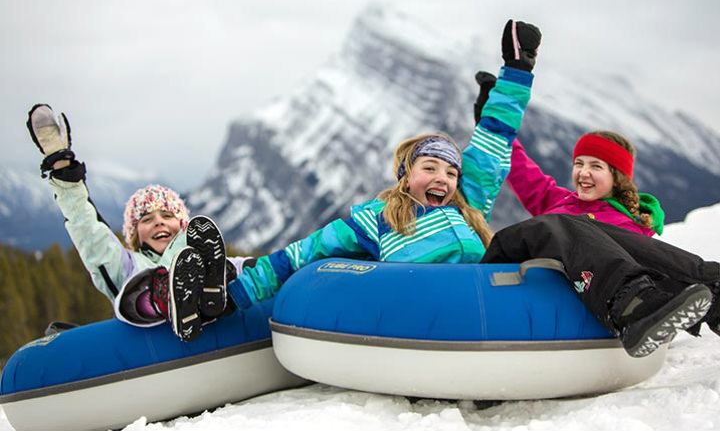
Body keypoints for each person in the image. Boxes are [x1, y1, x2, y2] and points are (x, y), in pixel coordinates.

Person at [140, 19, 541, 340]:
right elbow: (304, 253)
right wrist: (236, 299)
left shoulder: (465, 203)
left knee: (534, 237)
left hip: (479, 304)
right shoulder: (378, 217)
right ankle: (212, 290)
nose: (443, 178)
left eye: (451, 172)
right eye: (430, 168)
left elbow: (494, 141)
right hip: (423, 312)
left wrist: (517, 70)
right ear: (405, 177)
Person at [471, 75, 720, 357]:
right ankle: (637, 304)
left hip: (570, 290)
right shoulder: (557, 202)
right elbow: (519, 165)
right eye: (579, 163)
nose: (582, 173)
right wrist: (491, 119)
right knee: (567, 223)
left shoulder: (626, 226)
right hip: (510, 267)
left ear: (617, 177)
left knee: (604, 237)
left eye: (596, 166)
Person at [26, 105, 241, 340]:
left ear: (183, 226)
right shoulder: (125, 266)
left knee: (229, 269)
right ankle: (170, 298)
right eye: (147, 219)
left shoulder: (208, 256)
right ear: (135, 234)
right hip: (152, 344)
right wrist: (62, 169)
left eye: (167, 216)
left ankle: (214, 294)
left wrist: (285, 260)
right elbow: (88, 229)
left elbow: (258, 267)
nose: (159, 222)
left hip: (212, 305)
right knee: (143, 285)